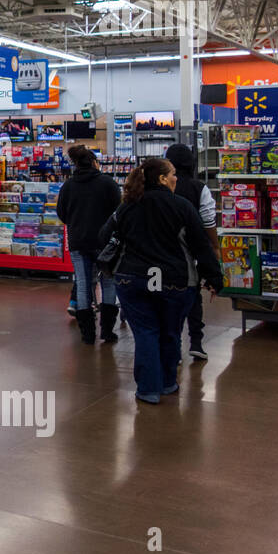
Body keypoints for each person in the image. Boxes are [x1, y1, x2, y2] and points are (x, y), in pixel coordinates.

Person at [99, 158, 223, 404]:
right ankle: (167, 383)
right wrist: (214, 277)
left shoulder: (127, 206)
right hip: (175, 282)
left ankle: (147, 389)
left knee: (145, 332)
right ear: (162, 179)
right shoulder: (182, 206)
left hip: (131, 280)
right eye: (173, 173)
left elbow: (104, 236)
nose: (177, 177)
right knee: (170, 332)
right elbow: (201, 245)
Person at [56, 144, 121, 343]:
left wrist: (76, 223)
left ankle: (87, 333)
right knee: (109, 283)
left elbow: (61, 213)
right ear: (94, 162)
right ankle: (107, 331)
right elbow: (118, 212)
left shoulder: (68, 185)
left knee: (83, 285)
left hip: (78, 241)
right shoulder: (107, 183)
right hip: (105, 243)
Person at [165, 143, 218, 360]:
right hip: (192, 250)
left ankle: (174, 348)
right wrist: (214, 247)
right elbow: (208, 220)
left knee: (167, 300)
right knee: (193, 293)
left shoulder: (162, 186)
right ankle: (196, 341)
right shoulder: (199, 188)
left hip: (164, 251)